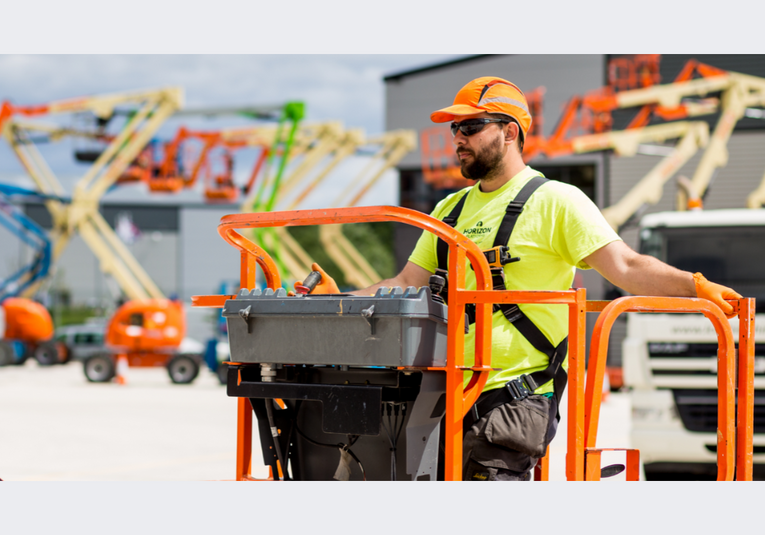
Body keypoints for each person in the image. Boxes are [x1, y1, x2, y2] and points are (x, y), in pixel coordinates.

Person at [310, 76, 741, 480]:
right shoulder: (449, 211)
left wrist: (694, 286)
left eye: (472, 126)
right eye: (456, 128)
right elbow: (407, 282)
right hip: (438, 393)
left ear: (510, 131)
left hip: (511, 399)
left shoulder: (556, 202)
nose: (459, 137)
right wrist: (338, 301)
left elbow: (626, 267)